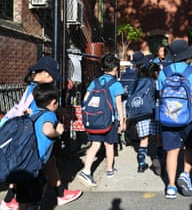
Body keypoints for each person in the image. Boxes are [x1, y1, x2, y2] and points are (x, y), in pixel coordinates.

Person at [0, 57, 82, 210]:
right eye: (51, 75)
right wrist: (56, 131)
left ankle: (57, 193)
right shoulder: (36, 90)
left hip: (30, 139)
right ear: (43, 73)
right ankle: (13, 199)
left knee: (45, 163)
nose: (52, 80)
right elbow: (38, 119)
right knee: (31, 171)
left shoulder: (32, 86)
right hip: (32, 140)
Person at [157, 39, 192, 199]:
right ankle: (185, 174)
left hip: (168, 116)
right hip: (188, 117)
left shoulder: (164, 72)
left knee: (171, 151)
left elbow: (160, 94)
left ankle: (170, 186)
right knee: (190, 148)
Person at [78, 54, 125, 186]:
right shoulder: (116, 85)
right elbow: (119, 104)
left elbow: (85, 100)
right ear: (115, 68)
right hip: (110, 120)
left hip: (94, 118)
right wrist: (122, 120)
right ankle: (109, 169)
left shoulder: (95, 82)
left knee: (95, 144)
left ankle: (86, 170)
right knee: (109, 145)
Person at [17, 83, 64, 210]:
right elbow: (47, 130)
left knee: (23, 198)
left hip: (24, 160)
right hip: (35, 162)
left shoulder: (33, 112)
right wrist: (58, 132)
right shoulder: (49, 115)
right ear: (53, 102)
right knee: (35, 195)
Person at [128, 51, 162, 174]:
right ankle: (157, 158)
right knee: (157, 137)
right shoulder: (151, 81)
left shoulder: (134, 81)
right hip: (151, 111)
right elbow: (157, 95)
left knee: (144, 139)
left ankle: (141, 165)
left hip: (139, 113)